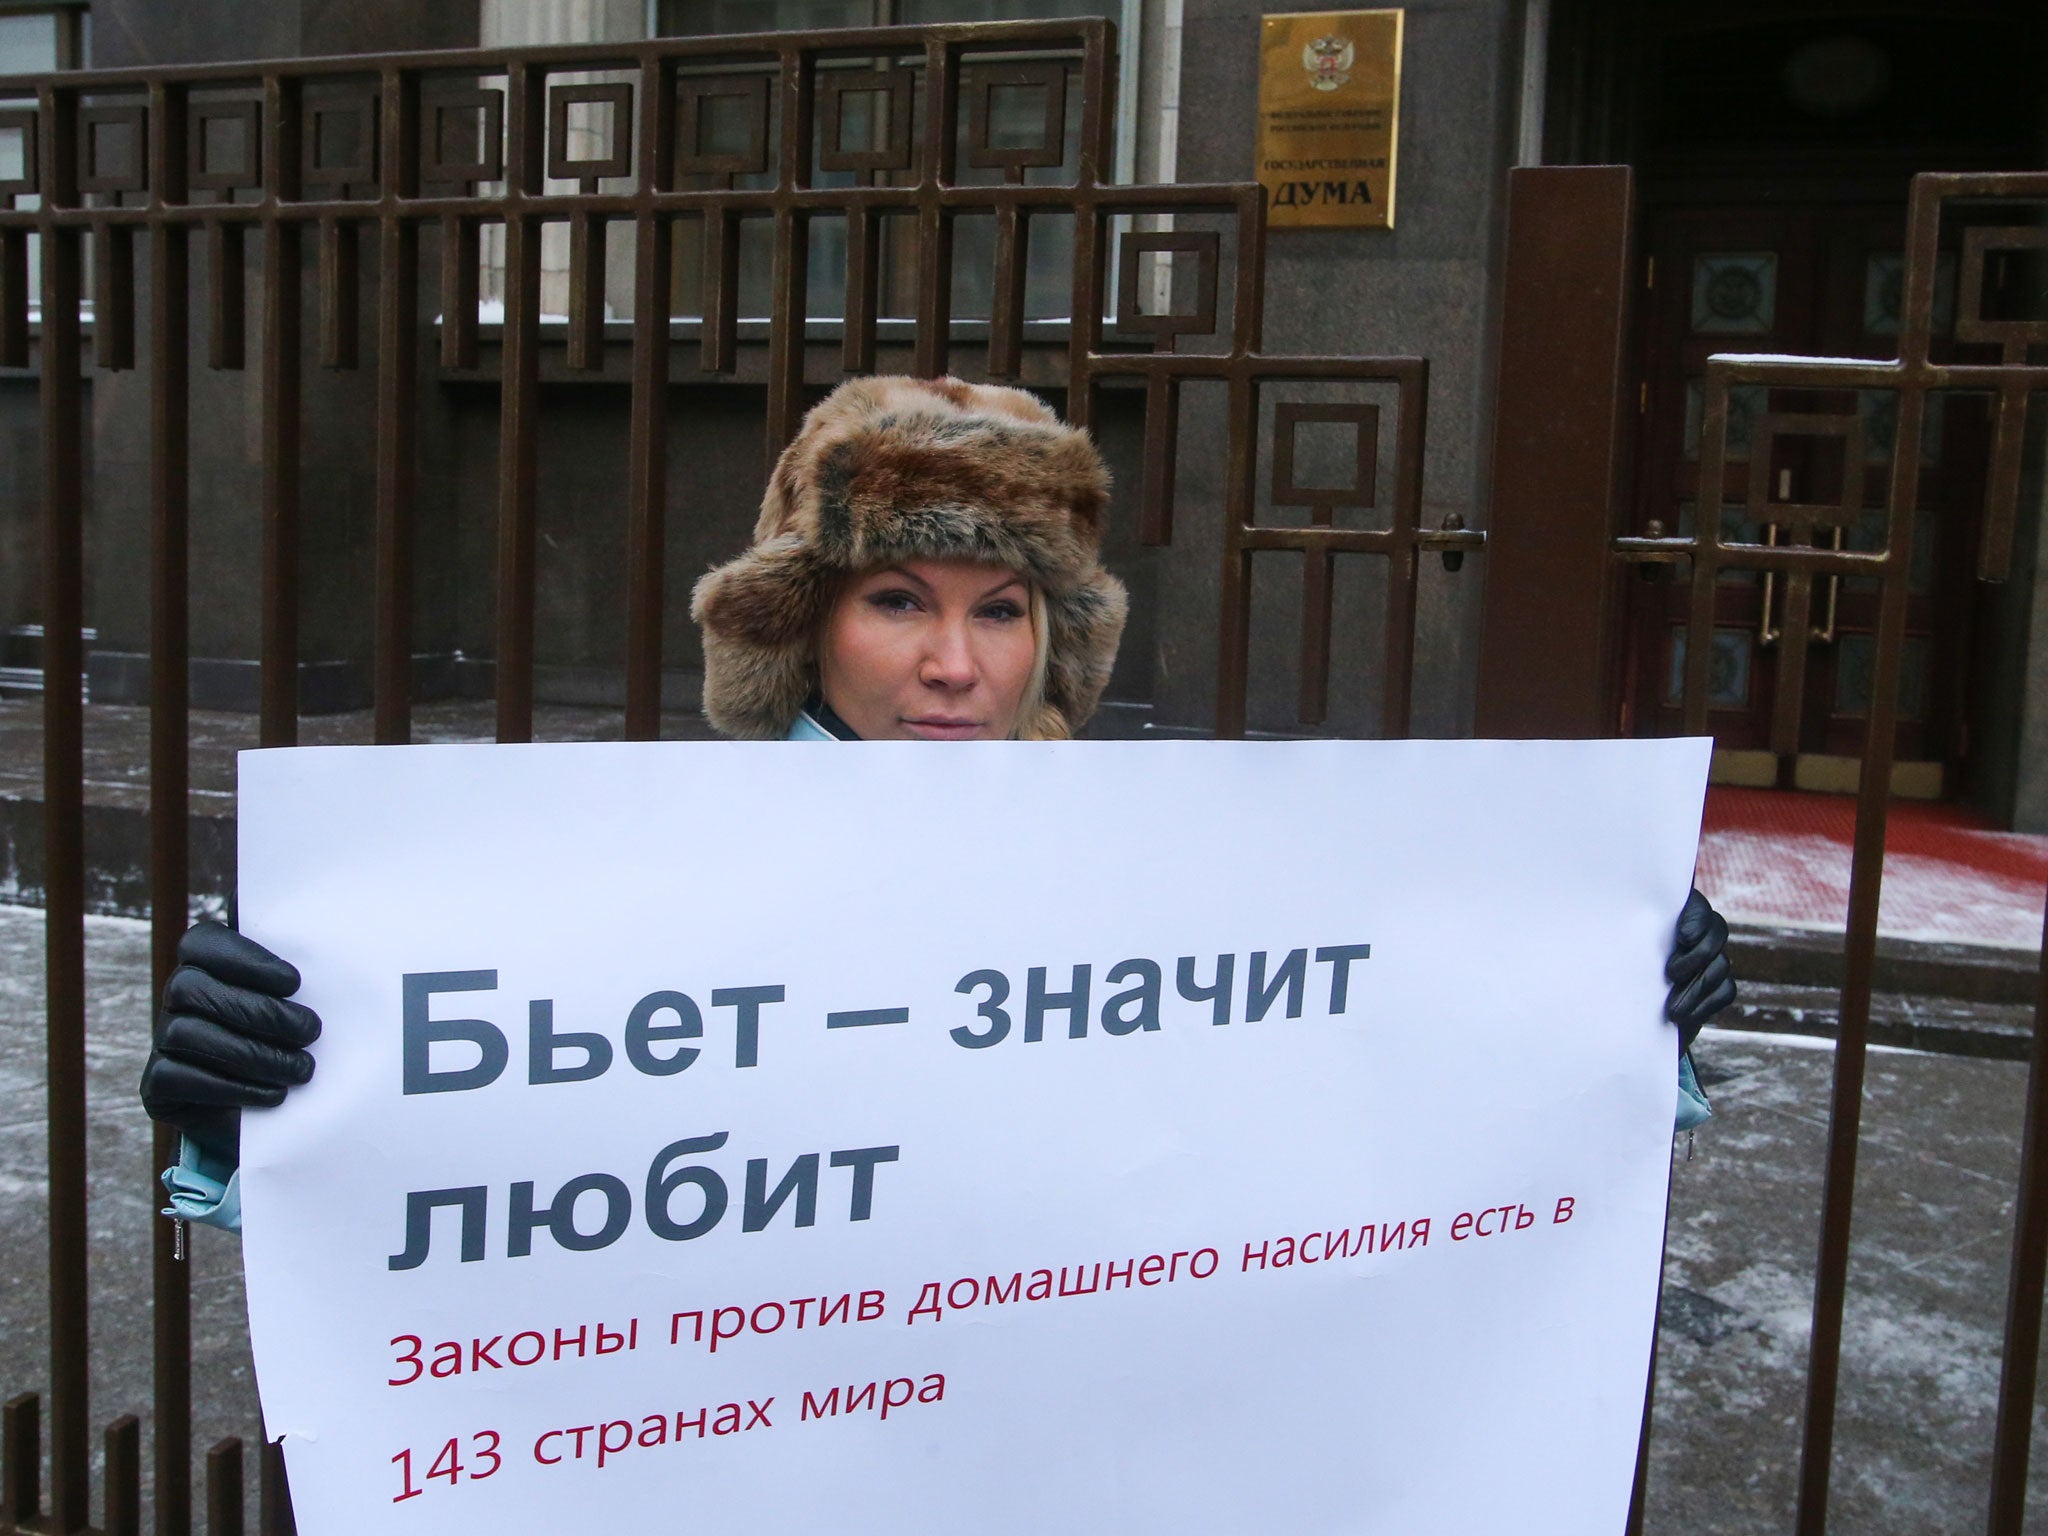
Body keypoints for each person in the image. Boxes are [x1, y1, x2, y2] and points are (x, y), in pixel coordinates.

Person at [140, 374, 1735, 1233]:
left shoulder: (1194, 877)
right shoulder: (621, 899)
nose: (957, 663)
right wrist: (249, 1091)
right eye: (901, 597)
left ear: (1057, 637)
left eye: (1003, 608)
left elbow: (1381, 1086)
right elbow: (452, 1214)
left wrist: (1611, 989)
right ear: (801, 624)